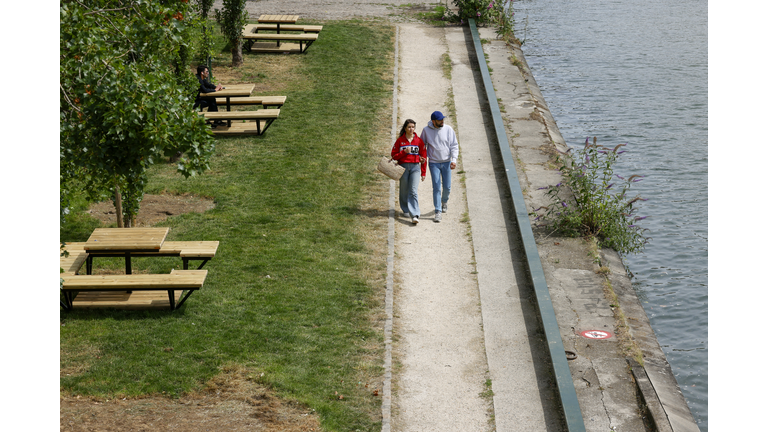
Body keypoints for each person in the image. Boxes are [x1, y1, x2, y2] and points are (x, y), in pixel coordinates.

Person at [420, 111, 458, 222]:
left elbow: (454, 145)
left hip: (446, 162)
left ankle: (444, 201)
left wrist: (454, 160)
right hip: (434, 163)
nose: (442, 121)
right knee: (436, 187)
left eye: (443, 119)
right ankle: (438, 211)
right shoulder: (426, 130)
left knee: (447, 187)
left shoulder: (448, 129)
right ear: (433, 121)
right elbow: (422, 145)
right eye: (440, 120)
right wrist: (421, 158)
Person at [391, 119, 427, 224]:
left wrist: (423, 171)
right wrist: (404, 152)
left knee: (413, 190)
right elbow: (393, 155)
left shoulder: (419, 141)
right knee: (404, 190)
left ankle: (415, 214)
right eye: (409, 127)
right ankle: (405, 209)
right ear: (405, 128)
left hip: (415, 168)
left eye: (413, 127)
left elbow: (424, 157)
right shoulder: (400, 141)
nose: (411, 129)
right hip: (403, 168)